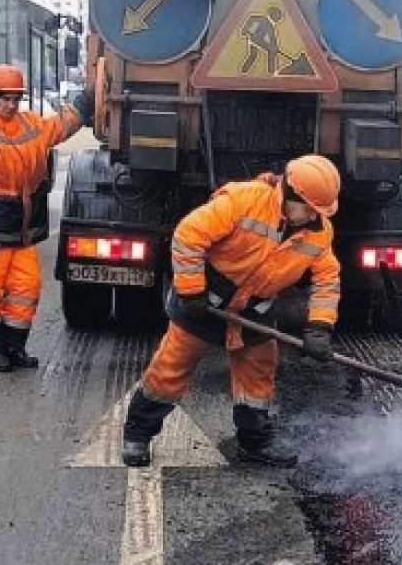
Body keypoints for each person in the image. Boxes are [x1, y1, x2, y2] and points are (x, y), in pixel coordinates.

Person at [121, 155, 343, 468]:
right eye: (309, 208)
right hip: (203, 303)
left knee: (257, 377)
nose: (312, 217)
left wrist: (319, 327)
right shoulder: (243, 200)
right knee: (170, 369)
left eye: (319, 212)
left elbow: (327, 279)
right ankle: (137, 434)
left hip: (254, 310)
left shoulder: (319, 233)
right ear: (289, 193)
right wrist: (191, 290)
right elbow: (188, 235)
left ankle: (254, 444)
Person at [0, 64, 94, 372]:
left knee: (26, 290)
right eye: (5, 100)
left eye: (16, 99)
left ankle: (14, 349)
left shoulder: (29, 124)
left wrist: (86, 103)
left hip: (21, 233)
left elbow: (59, 127)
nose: (11, 106)